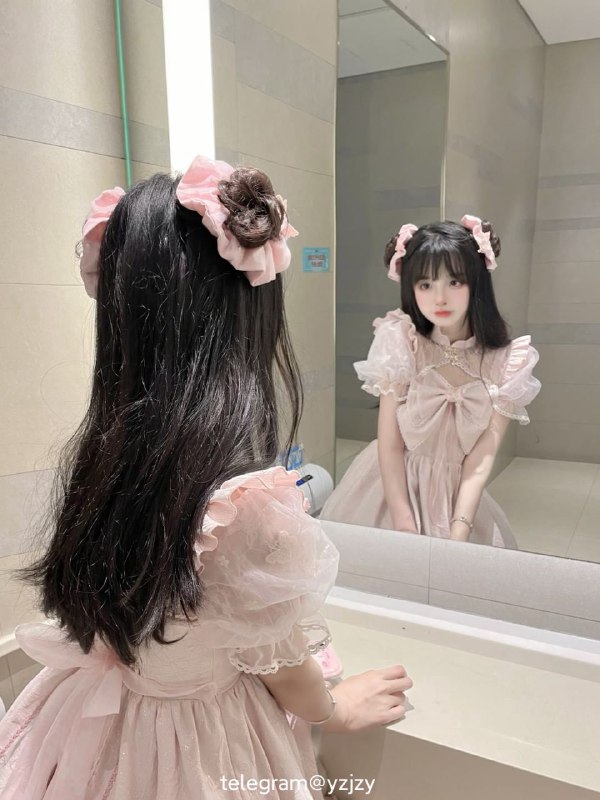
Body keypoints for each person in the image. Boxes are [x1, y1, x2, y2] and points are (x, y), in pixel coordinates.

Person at [0, 156, 412, 799]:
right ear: (243, 319)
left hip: (89, 723)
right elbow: (281, 663)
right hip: (197, 746)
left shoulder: (106, 461)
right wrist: (333, 708)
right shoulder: (242, 507)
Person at [321, 216, 541, 547]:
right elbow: (389, 444)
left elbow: (481, 458)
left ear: (477, 282)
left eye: (454, 282)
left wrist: (460, 528)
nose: (439, 298)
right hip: (387, 491)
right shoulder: (402, 342)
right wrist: (404, 524)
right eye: (425, 284)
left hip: (458, 498)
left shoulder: (507, 362)